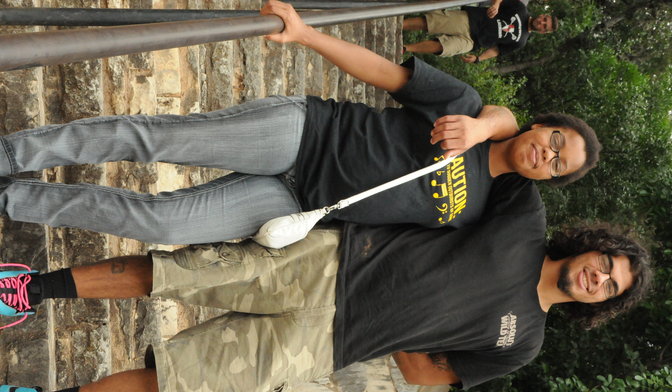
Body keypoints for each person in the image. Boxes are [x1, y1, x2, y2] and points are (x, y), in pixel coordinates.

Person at [0, 173, 651, 392]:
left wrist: (396, 320)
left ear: (601, 305)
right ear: (593, 246)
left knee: (182, 385)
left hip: (326, 345)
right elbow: (494, 149)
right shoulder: (524, 217)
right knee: (175, 273)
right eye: (606, 263)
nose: (599, 277)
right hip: (330, 261)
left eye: (609, 287)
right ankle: (30, 289)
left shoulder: (524, 342)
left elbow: (424, 372)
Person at [0, 1, 593, 245]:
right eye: (556, 140)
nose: (548, 154)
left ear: (549, 179)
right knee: (153, 139)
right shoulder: (466, 104)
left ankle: (12, 200)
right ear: (542, 126)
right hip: (304, 135)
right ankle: (11, 156)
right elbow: (384, 73)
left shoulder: (478, 211)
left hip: (294, 204)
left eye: (558, 164)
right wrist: (307, 34)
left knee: (162, 223)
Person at [403, 0, 557, 62]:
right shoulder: (521, 9)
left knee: (443, 48)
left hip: (473, 42)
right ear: (542, 15)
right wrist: (496, 5)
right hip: (471, 20)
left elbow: (496, 50)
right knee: (432, 23)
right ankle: (401, 25)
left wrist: (478, 59)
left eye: (545, 26)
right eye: (544, 19)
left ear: (543, 32)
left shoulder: (521, 41)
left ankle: (406, 48)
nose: (541, 23)